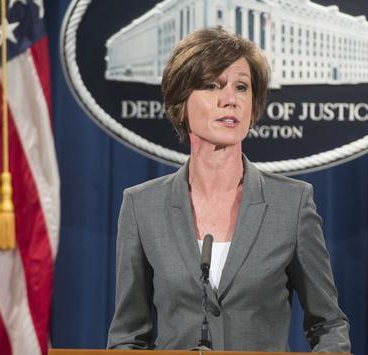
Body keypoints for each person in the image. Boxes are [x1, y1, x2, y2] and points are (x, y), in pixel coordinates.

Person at [107, 27, 350, 352]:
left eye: (241, 87)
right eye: (211, 86)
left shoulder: (292, 204)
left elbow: (329, 325)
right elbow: (128, 336)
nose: (230, 100)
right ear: (181, 104)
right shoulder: (142, 206)